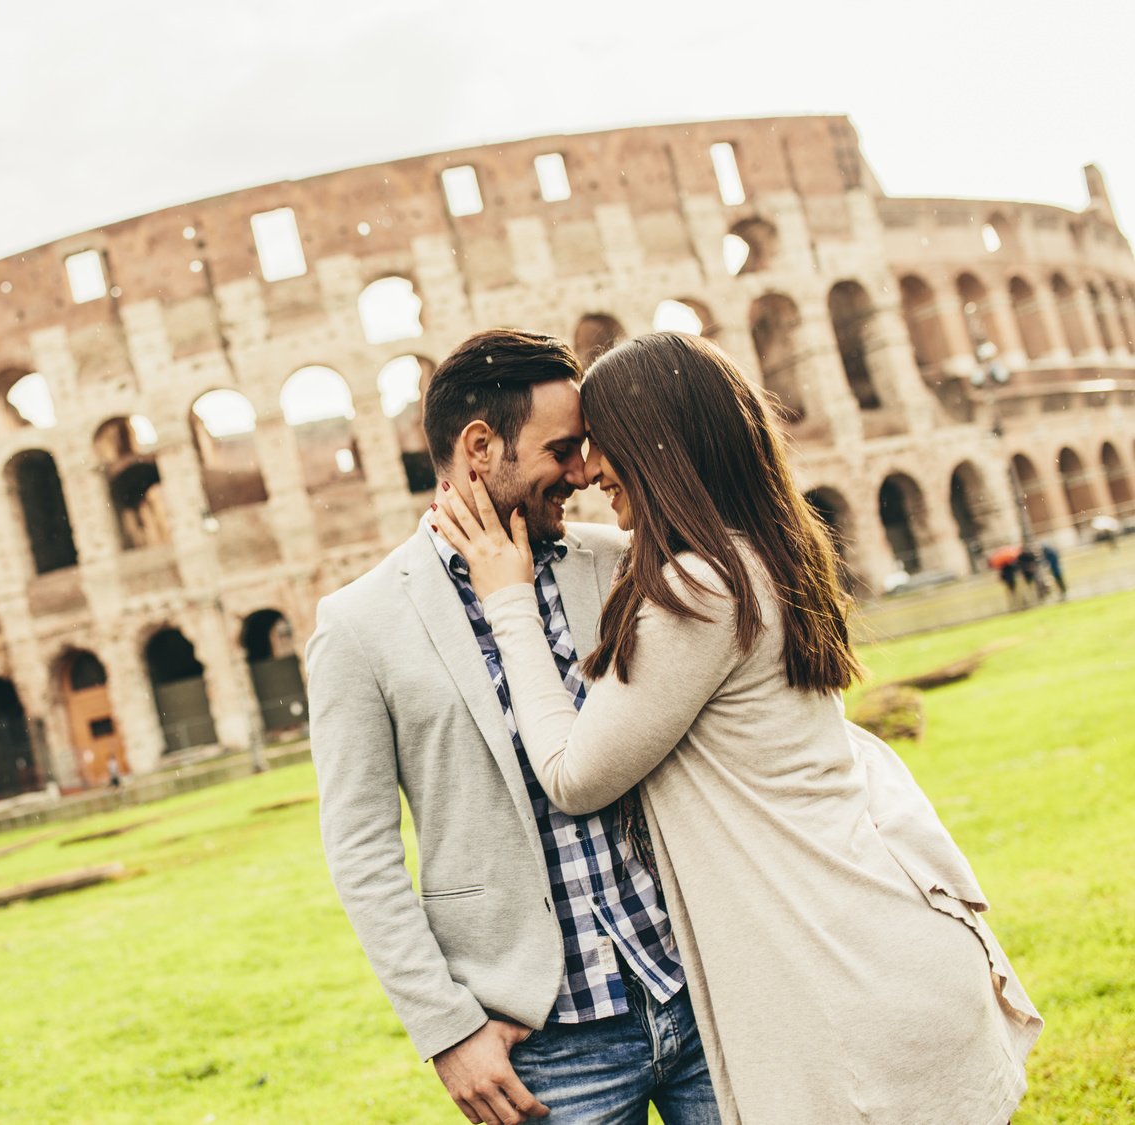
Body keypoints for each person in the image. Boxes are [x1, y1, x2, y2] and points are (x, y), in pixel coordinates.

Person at [436, 331, 1041, 1124]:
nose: (584, 473)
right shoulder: (761, 552)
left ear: (657, 446)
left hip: (847, 978)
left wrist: (508, 598)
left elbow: (574, 774)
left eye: (599, 446)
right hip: (876, 950)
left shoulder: (699, 585)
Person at [308, 329, 716, 1125]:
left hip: (699, 984)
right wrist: (447, 1029)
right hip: (547, 1044)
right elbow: (361, 851)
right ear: (480, 446)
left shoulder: (617, 560)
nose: (583, 475)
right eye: (561, 450)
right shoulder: (359, 624)